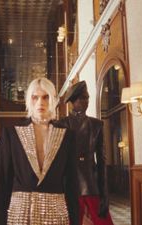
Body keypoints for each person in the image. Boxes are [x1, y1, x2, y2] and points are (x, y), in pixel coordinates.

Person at [0, 77, 79, 225]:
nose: (41, 102)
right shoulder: (12, 134)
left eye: (46, 97)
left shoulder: (67, 136)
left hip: (55, 213)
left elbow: (72, 183)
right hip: (20, 214)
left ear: (53, 100)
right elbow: (4, 182)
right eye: (35, 97)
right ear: (29, 100)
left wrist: (75, 220)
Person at [58, 81, 114, 225]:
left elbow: (102, 162)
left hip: (91, 187)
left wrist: (105, 195)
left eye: (87, 97)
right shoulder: (61, 124)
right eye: (82, 98)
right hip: (68, 188)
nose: (86, 101)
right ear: (73, 101)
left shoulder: (97, 125)